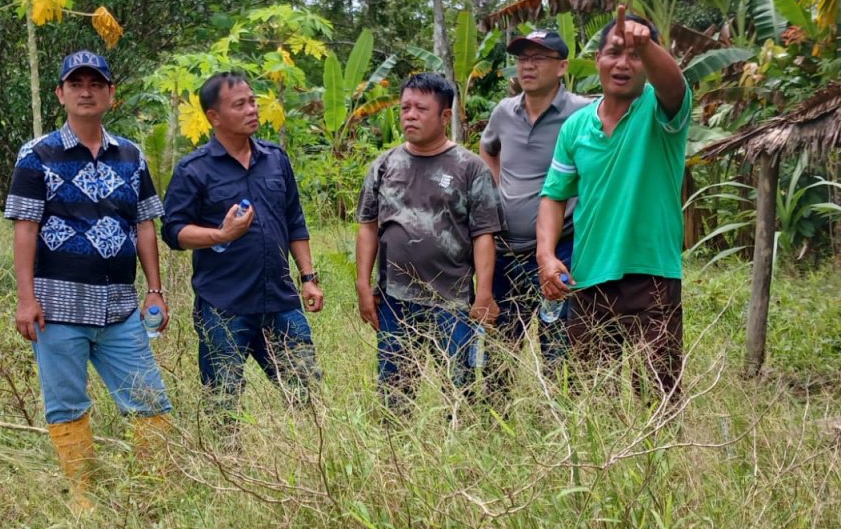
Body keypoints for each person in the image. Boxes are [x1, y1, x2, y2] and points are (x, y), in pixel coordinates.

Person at [5, 50, 171, 508]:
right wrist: (25, 299)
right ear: (60, 94)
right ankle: (85, 503)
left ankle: (152, 497)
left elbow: (144, 224)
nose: (86, 92)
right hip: (57, 308)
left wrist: (155, 290)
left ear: (110, 94)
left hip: (120, 307)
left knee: (151, 403)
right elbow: (25, 228)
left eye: (96, 84)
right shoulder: (37, 155)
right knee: (67, 405)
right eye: (76, 84)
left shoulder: (131, 155)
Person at [537, 7, 691, 399]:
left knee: (657, 397)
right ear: (597, 60)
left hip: (652, 277)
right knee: (590, 399)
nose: (623, 64)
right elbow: (554, 195)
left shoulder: (661, 111)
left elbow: (674, 85)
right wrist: (546, 255)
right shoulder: (575, 127)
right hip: (589, 280)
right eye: (614, 53)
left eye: (635, 55)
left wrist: (647, 45)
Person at [162, 72, 323, 412]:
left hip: (280, 300)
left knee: (308, 398)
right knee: (223, 403)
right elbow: (173, 232)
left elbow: (294, 221)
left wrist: (308, 278)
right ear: (214, 117)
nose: (252, 109)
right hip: (223, 305)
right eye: (240, 105)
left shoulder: (275, 159)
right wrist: (221, 235)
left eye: (252, 101)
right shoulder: (194, 170)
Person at [356, 72, 501, 401]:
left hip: (452, 300)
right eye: (405, 108)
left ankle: (460, 431)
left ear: (445, 116)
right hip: (394, 299)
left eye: (421, 109)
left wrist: (484, 293)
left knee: (459, 390)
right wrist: (363, 284)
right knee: (395, 391)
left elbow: (484, 234)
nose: (410, 115)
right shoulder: (385, 165)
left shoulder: (470, 168)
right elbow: (368, 226)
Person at [479, 28, 590, 370]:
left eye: (539, 58)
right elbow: (488, 148)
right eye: (522, 58)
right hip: (505, 250)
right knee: (499, 351)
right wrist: (496, 192)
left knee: (558, 349)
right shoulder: (504, 111)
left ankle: (558, 403)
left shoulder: (583, 112)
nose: (527, 66)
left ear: (562, 67)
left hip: (562, 250)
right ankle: (498, 404)